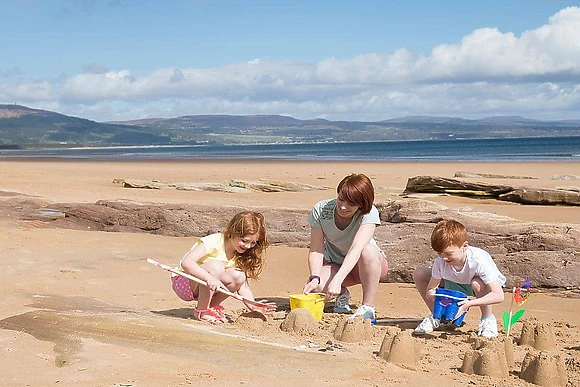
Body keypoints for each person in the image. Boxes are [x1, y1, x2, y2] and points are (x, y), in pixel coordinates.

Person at [302, 173, 388, 321]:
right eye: (341, 199)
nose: (343, 206)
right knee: (315, 288)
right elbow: (316, 249)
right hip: (335, 263)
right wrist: (315, 278)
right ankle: (341, 293)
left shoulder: (369, 213)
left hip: (367, 266)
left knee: (367, 251)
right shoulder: (321, 210)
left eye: (351, 204)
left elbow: (356, 249)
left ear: (361, 205)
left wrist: (337, 279)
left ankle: (367, 307)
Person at [171, 211, 274, 324]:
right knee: (217, 266)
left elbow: (242, 286)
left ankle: (210, 306)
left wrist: (253, 305)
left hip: (209, 285)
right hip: (185, 282)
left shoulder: (241, 253)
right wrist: (208, 278)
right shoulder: (214, 241)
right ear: (233, 232)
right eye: (244, 241)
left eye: (253, 243)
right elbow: (186, 263)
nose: (248, 246)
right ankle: (201, 310)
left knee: (239, 276)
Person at [412, 219, 506, 338]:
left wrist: (469, 304)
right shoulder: (440, 262)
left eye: (448, 254)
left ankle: (487, 319)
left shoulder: (478, 260)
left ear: (464, 246)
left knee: (477, 283)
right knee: (420, 273)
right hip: (453, 284)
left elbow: (498, 295)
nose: (444, 258)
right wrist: (438, 297)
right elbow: (431, 289)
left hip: (476, 285)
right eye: (440, 254)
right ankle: (438, 316)